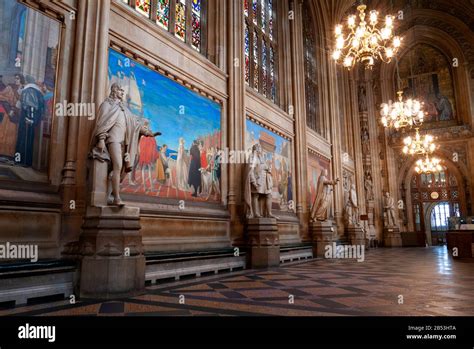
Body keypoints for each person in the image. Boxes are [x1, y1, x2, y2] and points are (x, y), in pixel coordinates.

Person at [90, 83, 159, 206]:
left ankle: (111, 193)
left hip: (125, 143)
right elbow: (102, 123)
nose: (122, 93)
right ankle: (117, 198)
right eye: (121, 90)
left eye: (123, 91)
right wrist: (101, 139)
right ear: (114, 90)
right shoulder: (107, 105)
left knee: (124, 169)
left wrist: (150, 133)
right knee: (118, 165)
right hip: (113, 140)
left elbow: (136, 125)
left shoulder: (125, 109)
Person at [15, 76, 45, 167]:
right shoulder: (37, 92)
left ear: (27, 82)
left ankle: (22, 161)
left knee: (24, 139)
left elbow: (30, 106)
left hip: (27, 120)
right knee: (28, 139)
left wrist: (29, 119)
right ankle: (25, 161)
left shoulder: (29, 90)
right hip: (33, 119)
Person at [244, 143, 276, 219]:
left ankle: (269, 213)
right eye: (257, 148)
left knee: (268, 195)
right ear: (254, 150)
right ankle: (256, 213)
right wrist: (253, 182)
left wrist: (269, 168)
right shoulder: (252, 157)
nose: (259, 149)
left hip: (265, 181)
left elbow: (267, 167)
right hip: (257, 180)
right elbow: (250, 171)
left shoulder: (263, 158)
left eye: (260, 148)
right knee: (256, 195)